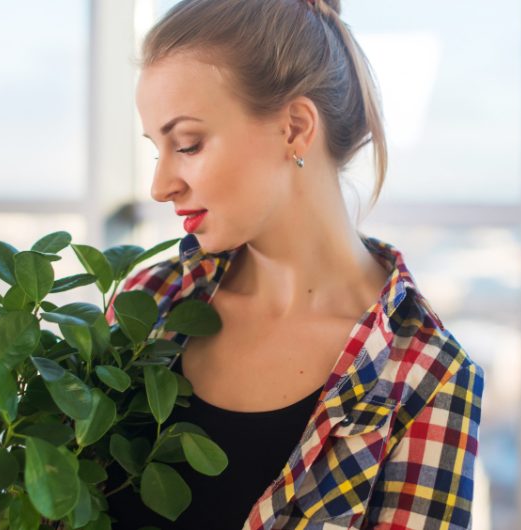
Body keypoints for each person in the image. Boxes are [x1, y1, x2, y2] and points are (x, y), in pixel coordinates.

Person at [103, 0, 485, 528]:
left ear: (295, 128)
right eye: (158, 150)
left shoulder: (426, 378)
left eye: (188, 145)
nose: (160, 185)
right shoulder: (149, 301)